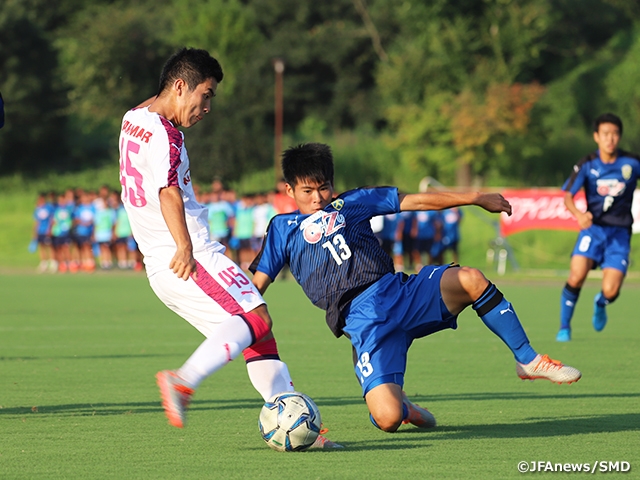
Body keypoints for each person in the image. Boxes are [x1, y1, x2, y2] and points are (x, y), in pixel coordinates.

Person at [250, 142, 582, 433]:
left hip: (401, 293)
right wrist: (236, 323)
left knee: (471, 279)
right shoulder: (282, 229)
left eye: (323, 188)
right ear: (289, 190)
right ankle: (404, 406)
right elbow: (255, 285)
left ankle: (528, 359)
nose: (317, 198)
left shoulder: (354, 202)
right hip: (365, 324)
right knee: (388, 419)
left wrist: (476, 197)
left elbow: (418, 201)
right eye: (307, 191)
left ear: (333, 185)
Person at [117, 48, 338, 447]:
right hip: (190, 256)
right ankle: (182, 381)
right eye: (206, 94)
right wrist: (185, 246)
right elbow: (168, 193)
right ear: (181, 86)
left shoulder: (133, 119)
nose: (206, 107)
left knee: (258, 339)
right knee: (258, 318)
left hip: (158, 263)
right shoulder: (168, 136)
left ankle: (296, 422)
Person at [556, 113, 640, 342]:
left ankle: (600, 303)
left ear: (620, 137)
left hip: (619, 235)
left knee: (611, 291)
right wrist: (578, 215)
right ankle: (564, 327)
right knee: (576, 276)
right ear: (596, 136)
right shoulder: (587, 164)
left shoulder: (632, 163)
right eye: (605, 134)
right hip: (593, 230)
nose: (610, 139)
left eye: (614, 134)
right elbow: (567, 197)